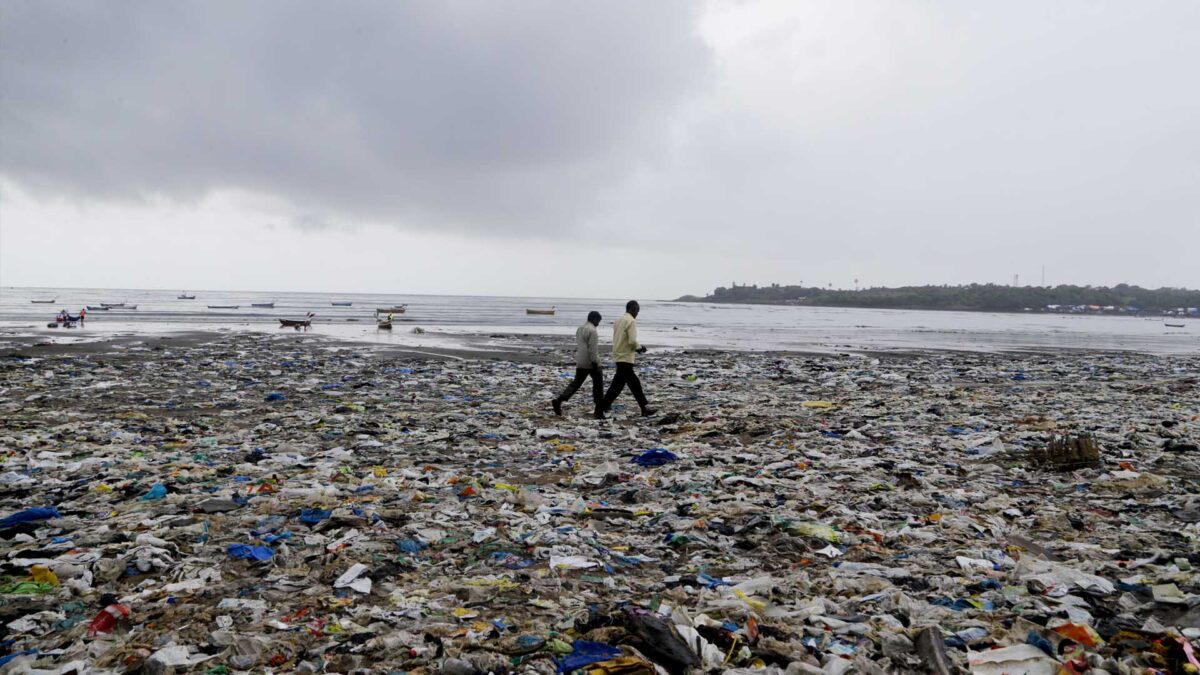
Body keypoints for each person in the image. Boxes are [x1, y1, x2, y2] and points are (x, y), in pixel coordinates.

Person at [598, 300, 655, 419]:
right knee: (634, 384)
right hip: (626, 357)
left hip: (618, 355)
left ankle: (602, 408)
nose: (637, 314)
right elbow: (632, 341)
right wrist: (640, 348)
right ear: (633, 309)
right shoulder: (631, 321)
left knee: (619, 385)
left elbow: (620, 339)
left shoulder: (618, 321)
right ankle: (644, 408)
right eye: (637, 311)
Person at [552, 311, 603, 416]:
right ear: (594, 319)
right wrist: (596, 363)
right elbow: (593, 350)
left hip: (580, 360)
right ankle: (599, 410)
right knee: (598, 385)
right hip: (590, 362)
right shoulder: (593, 331)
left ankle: (559, 400)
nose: (598, 324)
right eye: (598, 321)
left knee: (576, 383)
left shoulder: (580, 329)